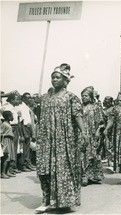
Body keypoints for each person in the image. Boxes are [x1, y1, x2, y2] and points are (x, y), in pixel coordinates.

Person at [35, 63, 88, 213]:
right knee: (44, 169)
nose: (54, 80)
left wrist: (84, 133)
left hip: (64, 139)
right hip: (46, 139)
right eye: (52, 77)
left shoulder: (71, 98)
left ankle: (64, 201)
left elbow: (77, 116)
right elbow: (41, 118)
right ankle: (46, 200)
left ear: (65, 80)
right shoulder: (45, 97)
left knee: (62, 169)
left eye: (57, 77)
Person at [80, 86, 105, 186]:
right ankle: (84, 175)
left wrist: (98, 131)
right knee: (82, 154)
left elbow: (102, 122)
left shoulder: (96, 108)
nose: (83, 98)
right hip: (82, 134)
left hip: (93, 134)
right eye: (82, 96)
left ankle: (92, 175)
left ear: (90, 97)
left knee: (92, 154)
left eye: (85, 96)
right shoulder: (79, 107)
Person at [1, 111, 15, 179]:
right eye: (11, 115)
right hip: (6, 140)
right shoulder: (4, 124)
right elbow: (0, 133)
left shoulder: (8, 123)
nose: (13, 117)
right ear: (8, 117)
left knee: (11, 156)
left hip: (10, 141)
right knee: (6, 157)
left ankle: (7, 172)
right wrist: (7, 134)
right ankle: (3, 173)